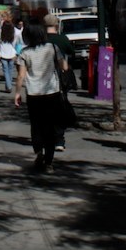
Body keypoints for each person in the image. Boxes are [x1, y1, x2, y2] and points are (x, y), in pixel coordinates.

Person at [15, 21, 68, 173]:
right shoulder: (52, 48)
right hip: (52, 92)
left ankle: (39, 153)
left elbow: (21, 76)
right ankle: (49, 162)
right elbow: (64, 66)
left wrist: (17, 94)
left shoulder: (25, 53)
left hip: (34, 94)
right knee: (50, 126)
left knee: (36, 125)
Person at [44, 13, 75, 151]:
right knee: (60, 107)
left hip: (43, 77)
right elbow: (71, 51)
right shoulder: (62, 39)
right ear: (57, 25)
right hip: (60, 77)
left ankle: (47, 137)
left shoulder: (41, 39)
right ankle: (59, 140)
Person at [0, 19, 18, 92]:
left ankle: (8, 86)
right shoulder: (13, 33)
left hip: (3, 53)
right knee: (10, 71)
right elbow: (14, 44)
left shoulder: (1, 32)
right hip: (12, 53)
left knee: (5, 71)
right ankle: (8, 85)